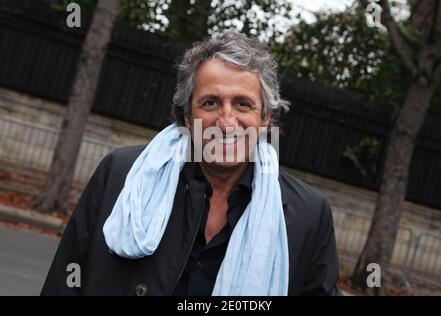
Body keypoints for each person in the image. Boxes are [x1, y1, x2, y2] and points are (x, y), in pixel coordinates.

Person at [41, 32, 340, 296]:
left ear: (265, 120)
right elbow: (64, 282)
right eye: (210, 102)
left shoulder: (308, 215)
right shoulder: (120, 175)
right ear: (187, 117)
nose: (226, 122)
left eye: (242, 104)